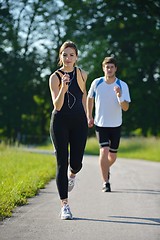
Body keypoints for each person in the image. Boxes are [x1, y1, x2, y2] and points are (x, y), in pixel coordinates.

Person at [49, 41, 88, 220]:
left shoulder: (81, 74)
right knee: (61, 162)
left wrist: (88, 115)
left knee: (77, 163)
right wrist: (63, 89)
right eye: (65, 54)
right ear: (60, 56)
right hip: (60, 123)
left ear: (76, 57)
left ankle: (72, 175)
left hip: (79, 122)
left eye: (71, 55)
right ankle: (65, 205)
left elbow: (83, 96)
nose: (68, 58)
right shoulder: (54, 77)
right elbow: (57, 106)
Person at [87, 57, 131, 192]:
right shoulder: (97, 83)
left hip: (116, 124)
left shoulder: (122, 85)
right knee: (104, 151)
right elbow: (90, 98)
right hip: (101, 124)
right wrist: (89, 116)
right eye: (107, 67)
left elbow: (125, 107)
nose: (109, 69)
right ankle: (105, 182)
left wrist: (119, 95)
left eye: (112, 67)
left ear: (116, 69)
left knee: (112, 156)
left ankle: (105, 168)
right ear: (103, 68)